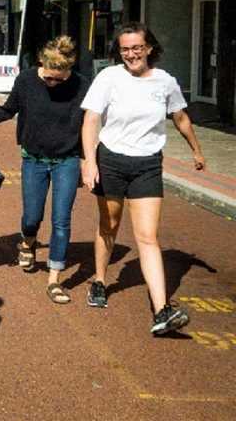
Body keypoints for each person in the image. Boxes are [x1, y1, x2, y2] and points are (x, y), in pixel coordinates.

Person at [81, 22, 204, 335]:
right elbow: (91, 119)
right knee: (109, 224)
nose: (131, 54)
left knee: (147, 236)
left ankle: (162, 309)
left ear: (149, 48)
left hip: (148, 164)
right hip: (111, 160)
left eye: (137, 48)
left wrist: (197, 151)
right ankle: (99, 279)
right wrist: (90, 162)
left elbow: (180, 117)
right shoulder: (108, 77)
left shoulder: (165, 82)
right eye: (125, 49)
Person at [0, 36, 90, 304]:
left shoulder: (82, 85)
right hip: (34, 158)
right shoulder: (28, 80)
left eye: (59, 79)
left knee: (61, 219)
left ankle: (54, 280)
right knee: (32, 216)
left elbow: (91, 124)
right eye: (49, 79)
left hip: (68, 159)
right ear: (42, 64)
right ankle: (28, 241)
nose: (53, 84)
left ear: (69, 71)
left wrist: (89, 160)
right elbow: (8, 110)